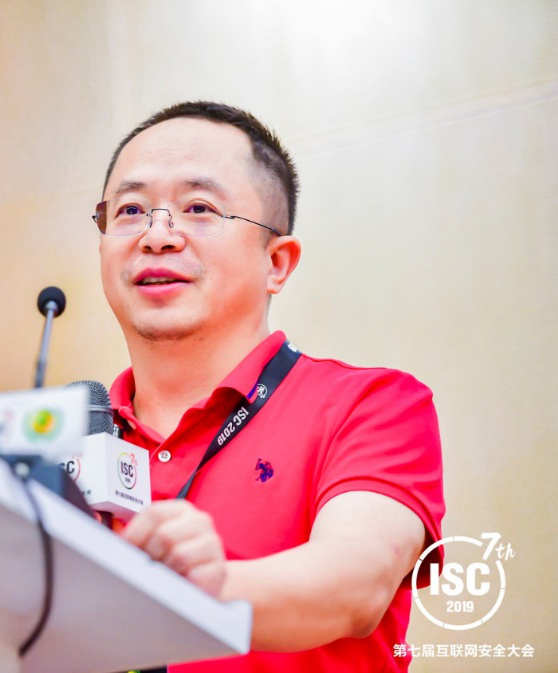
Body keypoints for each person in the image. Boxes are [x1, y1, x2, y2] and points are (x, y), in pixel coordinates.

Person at [95, 101, 445, 672]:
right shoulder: (68, 437)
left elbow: (356, 584)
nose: (156, 236)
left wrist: (201, 590)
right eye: (130, 210)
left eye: (199, 207)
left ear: (277, 263)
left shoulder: (370, 406)